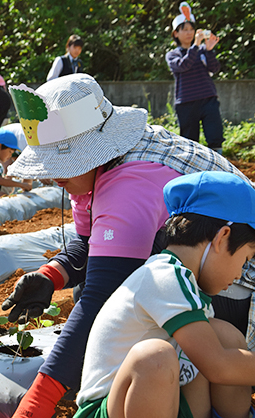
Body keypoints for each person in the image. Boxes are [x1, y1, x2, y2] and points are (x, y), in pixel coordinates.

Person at [1, 74, 253, 418]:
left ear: (92, 150)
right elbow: (89, 244)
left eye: (61, 163)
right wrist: (52, 276)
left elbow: (101, 295)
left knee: (188, 341)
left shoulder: (129, 182)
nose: (50, 176)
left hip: (234, 280)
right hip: (204, 266)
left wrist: (36, 407)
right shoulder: (92, 170)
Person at [75, 171, 255, 418]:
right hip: (107, 409)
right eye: (245, 260)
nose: (239, 274)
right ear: (222, 237)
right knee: (154, 358)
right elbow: (218, 366)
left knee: (225, 337)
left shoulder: (189, 285)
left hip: (160, 404)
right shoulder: (164, 276)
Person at [166, 2, 224, 154]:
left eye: (191, 29)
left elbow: (215, 68)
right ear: (175, 34)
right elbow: (184, 65)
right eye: (184, 29)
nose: (189, 33)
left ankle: (219, 172)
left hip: (208, 99)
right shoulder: (172, 55)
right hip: (186, 103)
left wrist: (210, 50)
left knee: (215, 137)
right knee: (189, 142)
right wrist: (197, 45)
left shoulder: (203, 50)